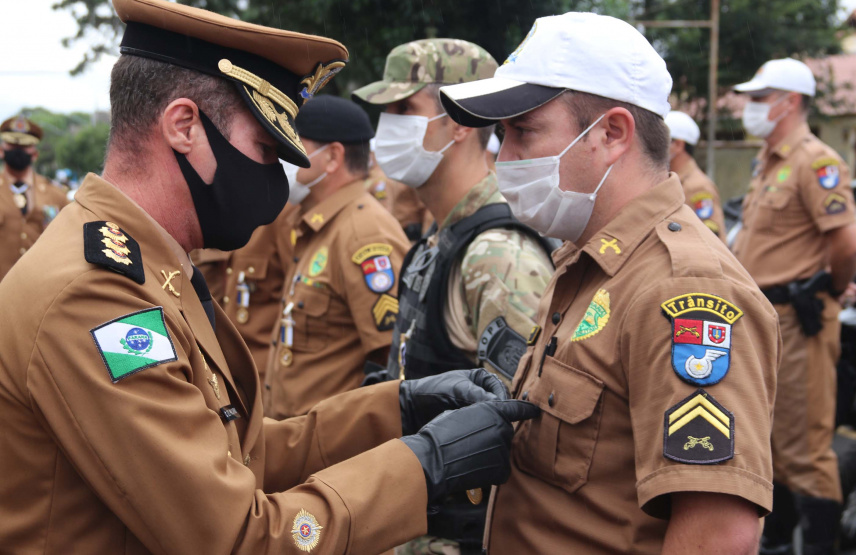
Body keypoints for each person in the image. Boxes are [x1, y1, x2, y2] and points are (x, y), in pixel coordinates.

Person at [0, 1, 538, 553]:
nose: (275, 184)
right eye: (262, 150)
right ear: (184, 126)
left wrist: (395, 410)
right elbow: (239, 537)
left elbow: (241, 453)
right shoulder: (96, 296)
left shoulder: (149, 267)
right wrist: (424, 467)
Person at [440, 12, 782, 553]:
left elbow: (720, 532)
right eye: (501, 136)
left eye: (523, 131)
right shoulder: (587, 261)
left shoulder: (682, 292)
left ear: (612, 133)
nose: (503, 158)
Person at [353, 38, 556, 554]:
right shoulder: (437, 239)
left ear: (462, 120)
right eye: (385, 111)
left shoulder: (497, 255)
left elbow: (522, 426)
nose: (388, 128)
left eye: (405, 109)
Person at [731, 58, 856, 555]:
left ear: (789, 101)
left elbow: (848, 245)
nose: (750, 108)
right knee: (768, 444)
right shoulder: (768, 160)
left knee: (804, 450)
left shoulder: (816, 161)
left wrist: (826, 288)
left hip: (798, 320)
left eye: (760, 98)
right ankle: (780, 542)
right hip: (764, 319)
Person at [262, 95, 411, 418]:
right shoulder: (320, 224)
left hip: (332, 454)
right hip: (296, 446)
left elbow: (391, 362)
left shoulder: (362, 233)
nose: (281, 157)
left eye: (292, 145)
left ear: (332, 157)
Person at [190, 203, 297, 380]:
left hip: (263, 376)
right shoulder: (207, 203)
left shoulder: (280, 213)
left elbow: (297, 291)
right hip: (214, 371)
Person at [0, 115, 68, 280]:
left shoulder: (56, 194)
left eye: (24, 147)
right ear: (1, 151)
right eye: (13, 145)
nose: (18, 150)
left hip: (40, 288)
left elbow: (67, 243)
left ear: (35, 154)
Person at [664, 111, 726, 241]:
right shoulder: (668, 180)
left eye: (661, 140)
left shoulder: (698, 186)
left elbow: (712, 240)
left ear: (678, 145)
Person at [366, 143, 433, 242]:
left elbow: (386, 207)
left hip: (410, 234)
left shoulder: (381, 178)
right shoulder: (373, 177)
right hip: (398, 231)